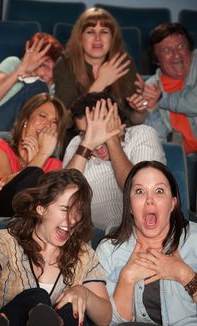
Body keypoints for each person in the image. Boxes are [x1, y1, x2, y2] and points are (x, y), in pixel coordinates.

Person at [0, 169, 112, 326]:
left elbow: (105, 318)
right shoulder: (5, 241)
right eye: (65, 209)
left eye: (78, 211)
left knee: (71, 309)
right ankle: (2, 323)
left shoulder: (83, 254)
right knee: (37, 298)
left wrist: (84, 293)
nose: (73, 219)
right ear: (41, 209)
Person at [96, 161, 197, 326]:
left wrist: (183, 274)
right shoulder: (109, 249)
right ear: (130, 206)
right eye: (140, 192)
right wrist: (127, 279)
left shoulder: (195, 240)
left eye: (159, 191)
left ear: (173, 203)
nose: (150, 200)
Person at [63, 92, 166, 229]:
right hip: (98, 240)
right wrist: (87, 144)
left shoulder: (143, 134)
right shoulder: (78, 144)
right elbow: (62, 196)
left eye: (98, 130)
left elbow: (137, 189)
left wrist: (112, 139)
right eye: (84, 133)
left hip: (147, 231)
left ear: (114, 120)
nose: (96, 140)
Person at [53, 7, 148, 148]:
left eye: (104, 32)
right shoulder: (65, 64)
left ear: (112, 37)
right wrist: (100, 83)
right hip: (80, 142)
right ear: (80, 38)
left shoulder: (124, 62)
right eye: (90, 32)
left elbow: (134, 120)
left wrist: (139, 110)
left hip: (119, 139)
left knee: (148, 133)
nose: (97, 38)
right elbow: (66, 122)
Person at [0, 92, 69, 217]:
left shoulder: (55, 166)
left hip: (24, 229)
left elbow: (45, 212)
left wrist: (36, 161)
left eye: (55, 122)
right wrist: (39, 158)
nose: (47, 125)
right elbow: (4, 195)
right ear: (25, 120)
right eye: (42, 116)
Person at [138, 23, 197, 212]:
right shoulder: (150, 87)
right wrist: (153, 107)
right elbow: (157, 138)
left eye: (181, 46)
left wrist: (162, 99)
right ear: (156, 59)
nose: (177, 55)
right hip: (182, 159)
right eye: (167, 50)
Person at [0, 32, 63, 131]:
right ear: (28, 59)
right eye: (44, 66)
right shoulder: (14, 64)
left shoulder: (52, 86)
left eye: (54, 70)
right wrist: (20, 70)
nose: (50, 75)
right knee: (38, 87)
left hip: (14, 139)